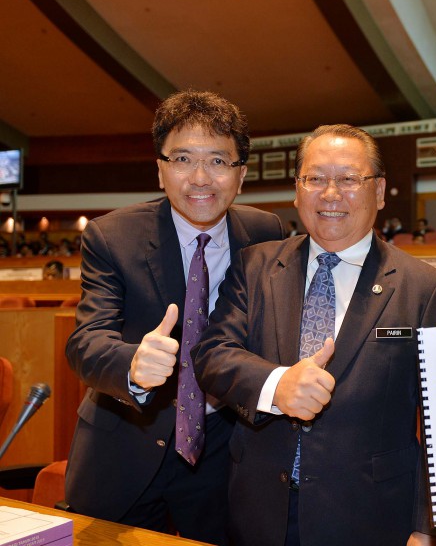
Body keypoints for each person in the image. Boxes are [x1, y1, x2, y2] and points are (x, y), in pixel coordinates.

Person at [193, 124, 436, 546]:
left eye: (350, 179)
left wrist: (426, 526)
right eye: (315, 179)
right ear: (298, 191)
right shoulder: (255, 267)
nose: (330, 194)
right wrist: (277, 386)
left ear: (380, 190)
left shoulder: (422, 287)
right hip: (261, 511)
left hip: (370, 516)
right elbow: (212, 355)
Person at [64, 90, 284, 544]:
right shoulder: (112, 236)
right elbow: (86, 341)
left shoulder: (268, 234)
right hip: (124, 443)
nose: (200, 178)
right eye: (183, 158)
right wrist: (132, 365)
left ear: (241, 175)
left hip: (224, 448)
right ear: (159, 169)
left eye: (219, 162)